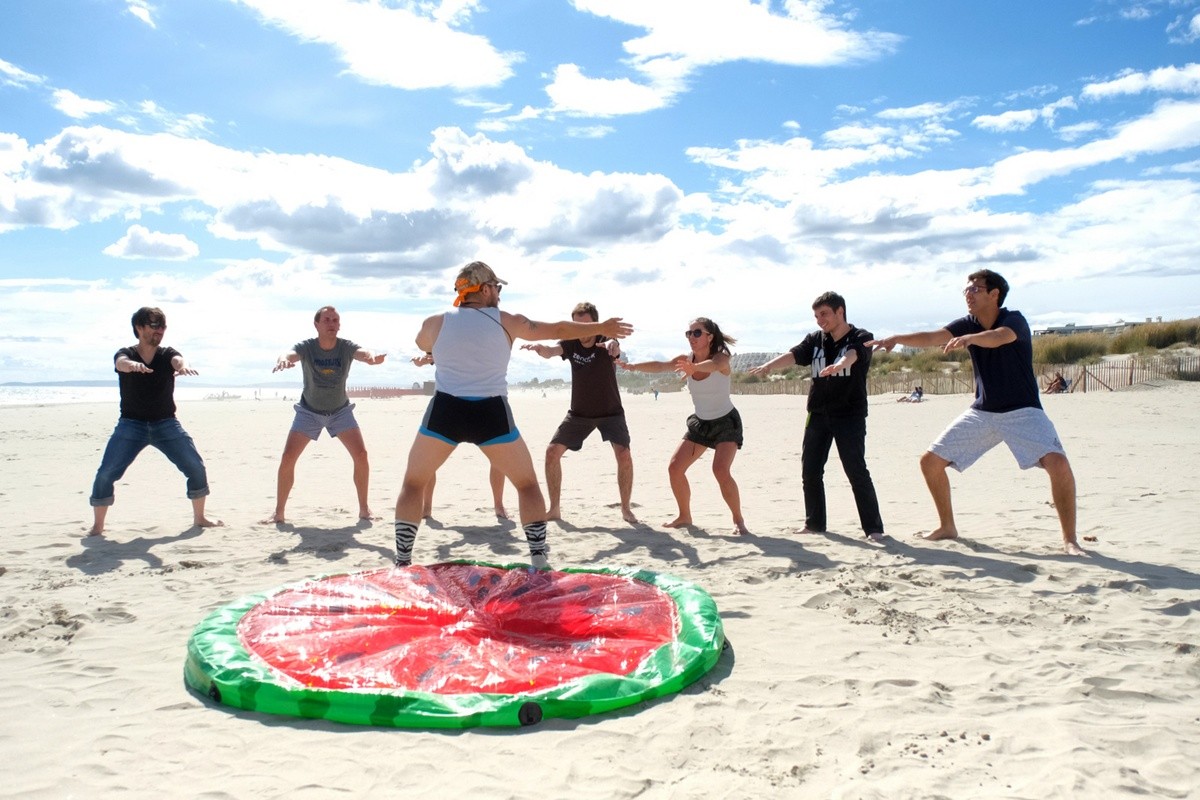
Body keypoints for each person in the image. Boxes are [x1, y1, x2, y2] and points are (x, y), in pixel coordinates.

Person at [392, 261, 633, 568]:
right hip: (490, 413)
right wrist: (601, 327)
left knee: (413, 483)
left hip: (445, 411)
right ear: (485, 289)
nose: (500, 294)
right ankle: (538, 559)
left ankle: (402, 562)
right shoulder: (507, 321)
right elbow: (558, 329)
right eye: (498, 288)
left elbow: (421, 343)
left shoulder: (435, 322)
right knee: (527, 485)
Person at [867, 269, 1086, 556]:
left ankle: (1070, 540)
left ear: (994, 294)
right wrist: (897, 338)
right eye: (966, 290)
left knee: (1059, 466)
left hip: (1023, 411)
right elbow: (934, 336)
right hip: (983, 412)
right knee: (930, 462)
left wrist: (970, 339)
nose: (968, 294)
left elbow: (999, 337)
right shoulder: (966, 324)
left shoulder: (1013, 320)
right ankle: (947, 527)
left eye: (975, 289)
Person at [749, 292, 885, 543]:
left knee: (856, 470)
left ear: (840, 311)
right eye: (816, 316)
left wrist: (840, 365)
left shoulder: (860, 337)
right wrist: (769, 365)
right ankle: (814, 524)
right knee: (810, 470)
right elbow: (794, 355)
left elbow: (854, 354)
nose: (820, 320)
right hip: (818, 413)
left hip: (849, 414)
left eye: (824, 314)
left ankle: (873, 529)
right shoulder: (815, 340)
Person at [88, 307, 223, 535]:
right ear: (139, 328)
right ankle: (97, 527)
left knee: (195, 467)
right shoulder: (126, 353)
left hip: (166, 424)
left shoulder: (166, 353)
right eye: (153, 326)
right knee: (106, 473)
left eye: (162, 326)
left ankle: (200, 518)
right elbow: (120, 362)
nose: (159, 331)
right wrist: (130, 366)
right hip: (131, 425)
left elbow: (177, 360)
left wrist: (183, 366)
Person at [622, 318, 749, 535]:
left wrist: (694, 368)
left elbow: (715, 366)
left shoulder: (721, 356)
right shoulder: (685, 360)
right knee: (675, 468)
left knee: (720, 470)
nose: (691, 337)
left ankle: (738, 520)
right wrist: (632, 366)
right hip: (700, 423)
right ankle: (684, 516)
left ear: (709, 336)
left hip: (725, 422)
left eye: (697, 333)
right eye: (689, 333)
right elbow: (661, 366)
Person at [262, 306, 386, 524]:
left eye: (335, 320)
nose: (332, 323)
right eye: (327, 320)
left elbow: (363, 352)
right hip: (309, 411)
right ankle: (279, 513)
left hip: (340, 411)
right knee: (288, 458)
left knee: (361, 456)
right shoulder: (308, 347)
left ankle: (364, 510)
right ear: (316, 324)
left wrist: (371, 356)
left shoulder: (345, 347)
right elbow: (289, 353)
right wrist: (283, 359)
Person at [521, 301, 637, 524]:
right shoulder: (571, 343)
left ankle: (626, 508)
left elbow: (615, 346)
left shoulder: (605, 341)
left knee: (624, 456)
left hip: (611, 412)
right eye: (576, 325)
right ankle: (554, 509)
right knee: (552, 453)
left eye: (585, 325)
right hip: (579, 414)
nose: (581, 331)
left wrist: (615, 346)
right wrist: (542, 350)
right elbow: (553, 350)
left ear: (596, 323)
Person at [411, 352, 509, 519]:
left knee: (499, 458)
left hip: (486, 403)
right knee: (428, 459)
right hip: (449, 404)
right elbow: (429, 356)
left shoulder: (485, 339)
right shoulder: (449, 338)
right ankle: (426, 508)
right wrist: (422, 360)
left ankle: (499, 505)